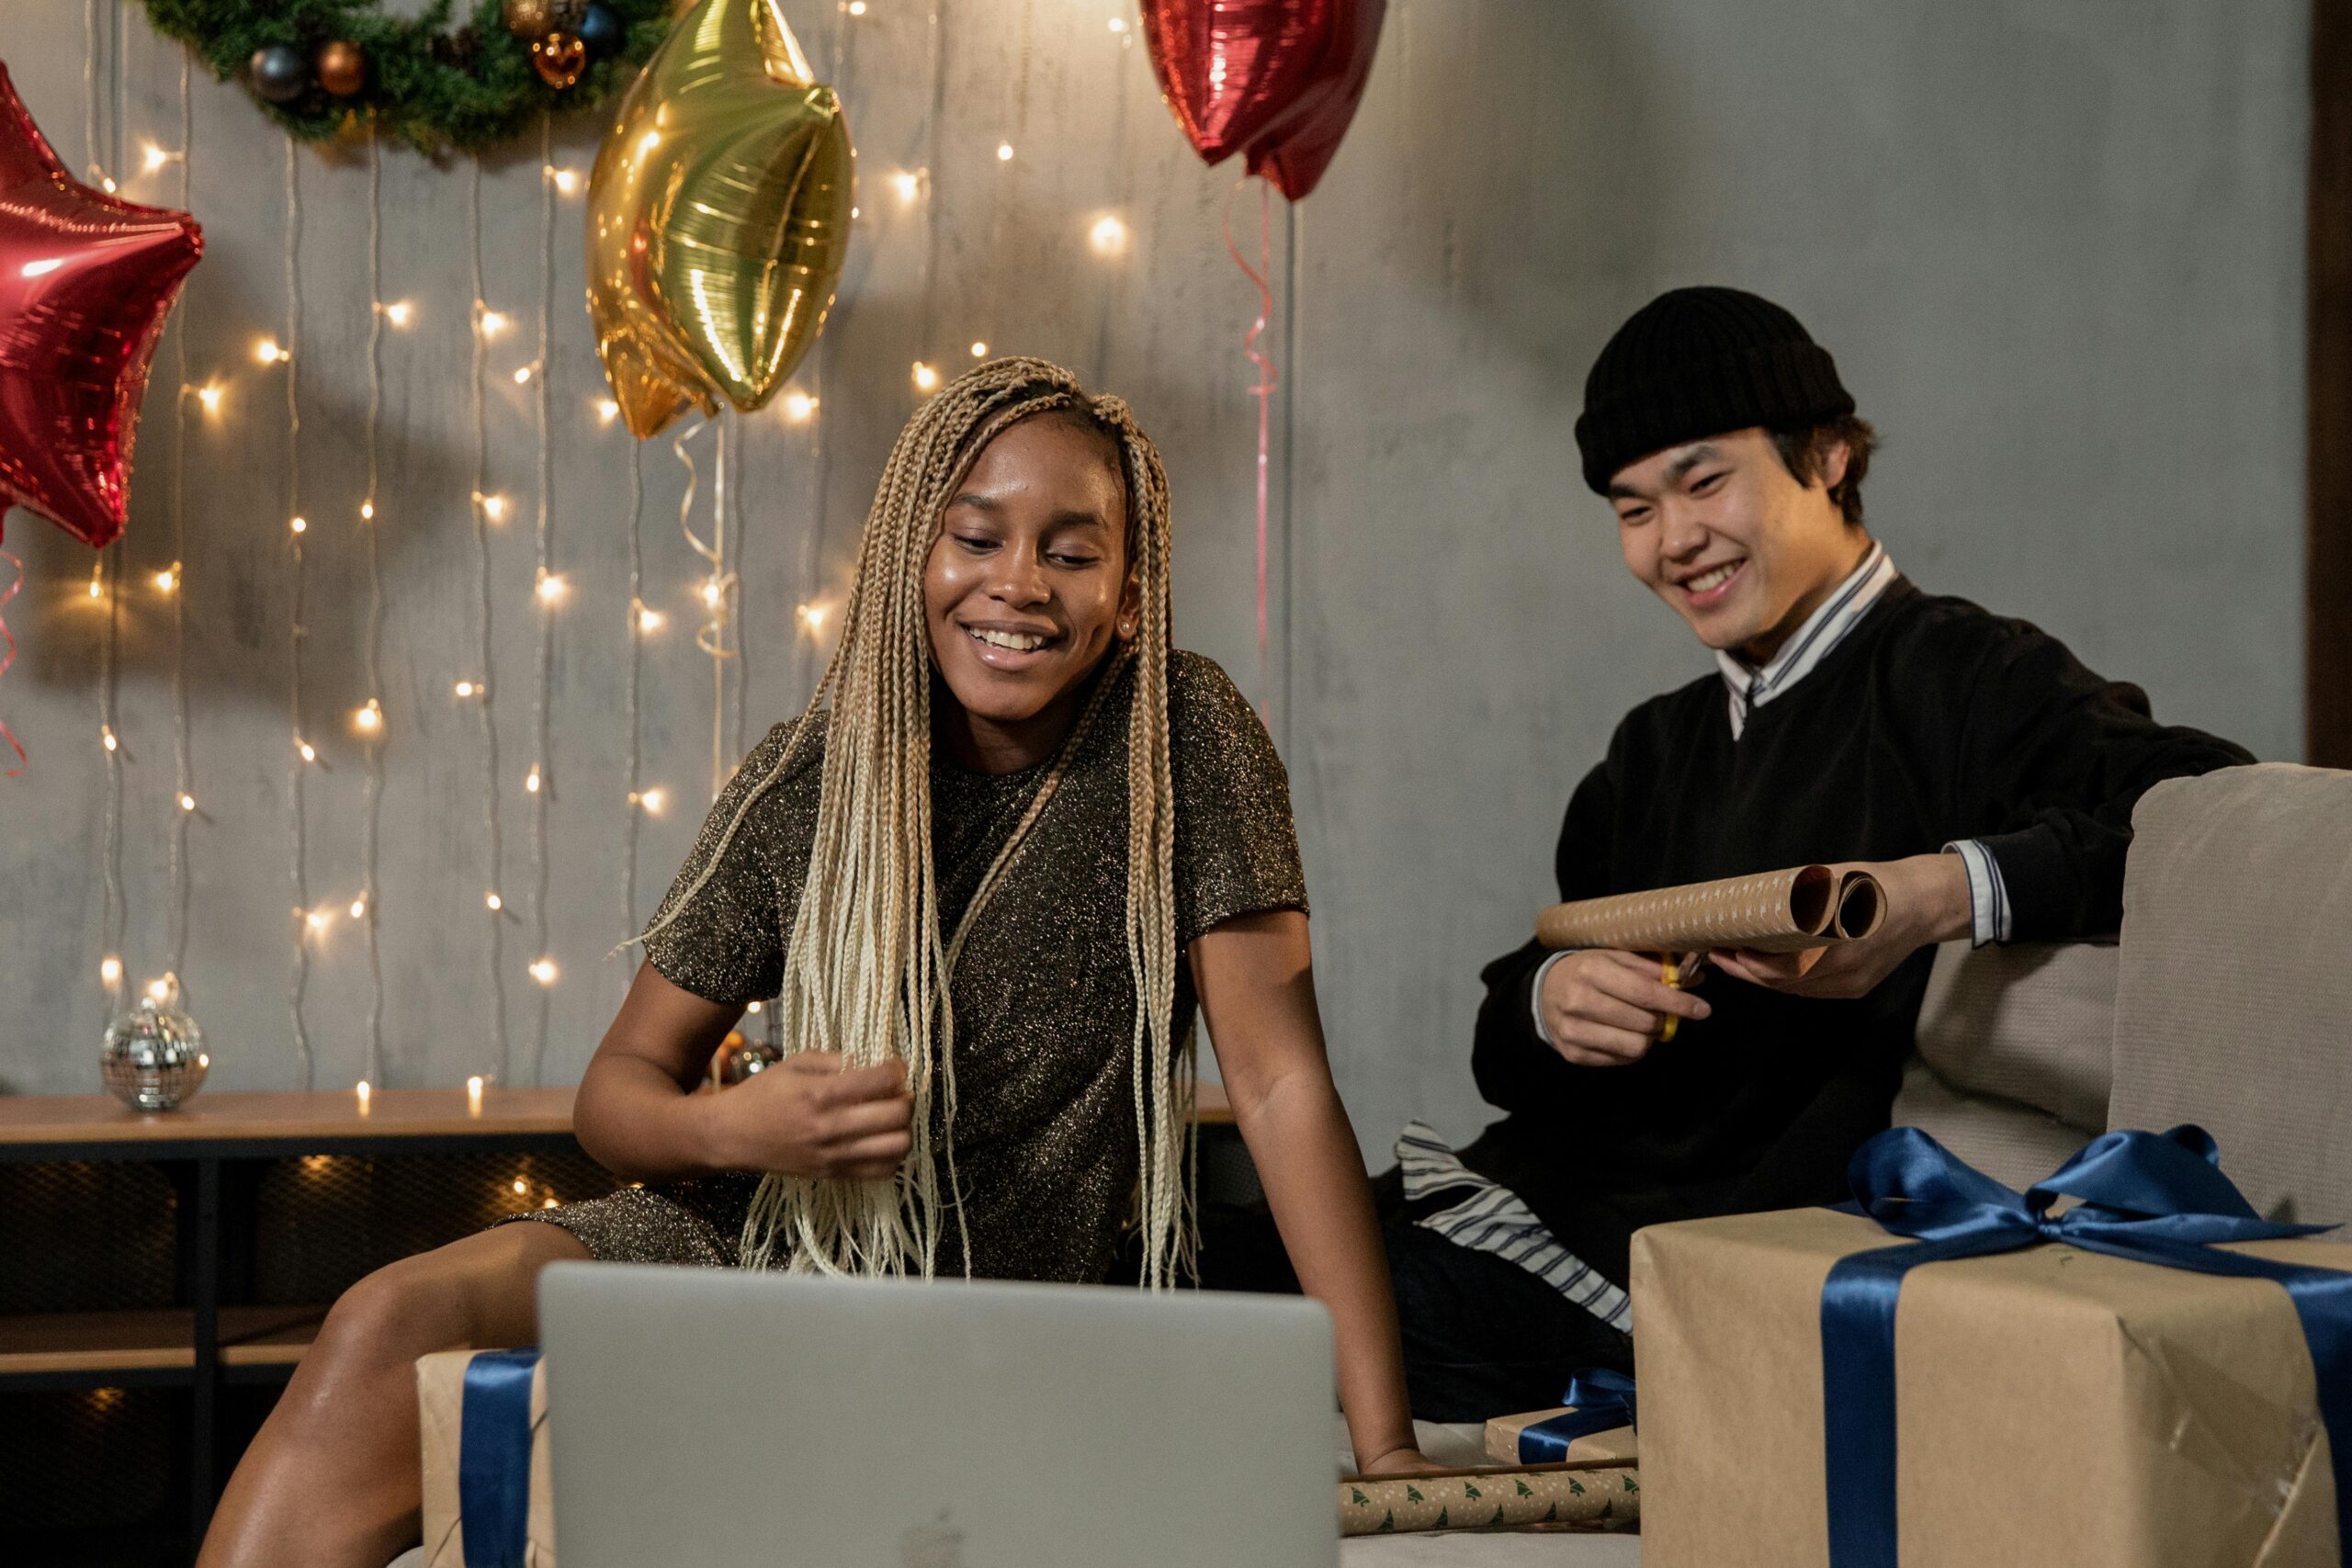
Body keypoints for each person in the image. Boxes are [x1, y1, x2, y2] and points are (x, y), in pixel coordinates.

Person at [197, 358, 1433, 1568]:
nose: (1017, 582)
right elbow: (616, 1093)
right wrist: (739, 1128)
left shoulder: (1182, 733)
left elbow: (1280, 1087)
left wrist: (1384, 1443)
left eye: (1070, 551)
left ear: (1128, 589)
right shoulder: (814, 775)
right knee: (386, 1318)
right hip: (735, 1256)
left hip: (975, 1312)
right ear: (910, 557)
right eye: (976, 538)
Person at [1380, 286, 2255, 1419]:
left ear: (1829, 455)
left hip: (1707, 1246)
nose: (1673, 539)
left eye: (1704, 482)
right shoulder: (1652, 748)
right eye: (1633, 508)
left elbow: (2206, 808)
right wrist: (1551, 1002)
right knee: (1221, 1243)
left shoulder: (1962, 674)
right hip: (1540, 1186)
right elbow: (1508, 1036)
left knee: (1318, 1304)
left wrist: (1932, 891)